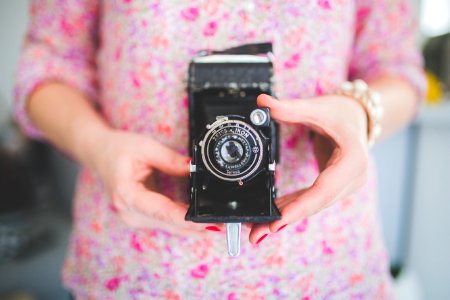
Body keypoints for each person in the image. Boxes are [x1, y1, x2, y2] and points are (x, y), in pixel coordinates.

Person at [14, 0, 425, 298]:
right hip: (138, 268)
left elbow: (398, 69)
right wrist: (98, 146)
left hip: (323, 266)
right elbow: (49, 63)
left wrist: (358, 113)